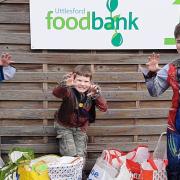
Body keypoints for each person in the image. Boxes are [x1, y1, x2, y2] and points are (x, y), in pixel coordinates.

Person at [140, 22, 180, 180]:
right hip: (176, 125)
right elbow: (154, 91)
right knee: (175, 168)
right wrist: (151, 74)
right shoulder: (170, 68)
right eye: (178, 41)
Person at [52, 65, 107, 160]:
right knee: (70, 153)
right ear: (74, 80)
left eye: (86, 81)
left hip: (80, 128)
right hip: (65, 127)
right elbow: (56, 93)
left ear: (90, 83)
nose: (82, 84)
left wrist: (97, 95)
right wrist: (64, 85)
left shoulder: (92, 93)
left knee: (80, 155)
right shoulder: (68, 90)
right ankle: (69, 173)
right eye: (79, 80)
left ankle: (78, 174)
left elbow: (103, 108)